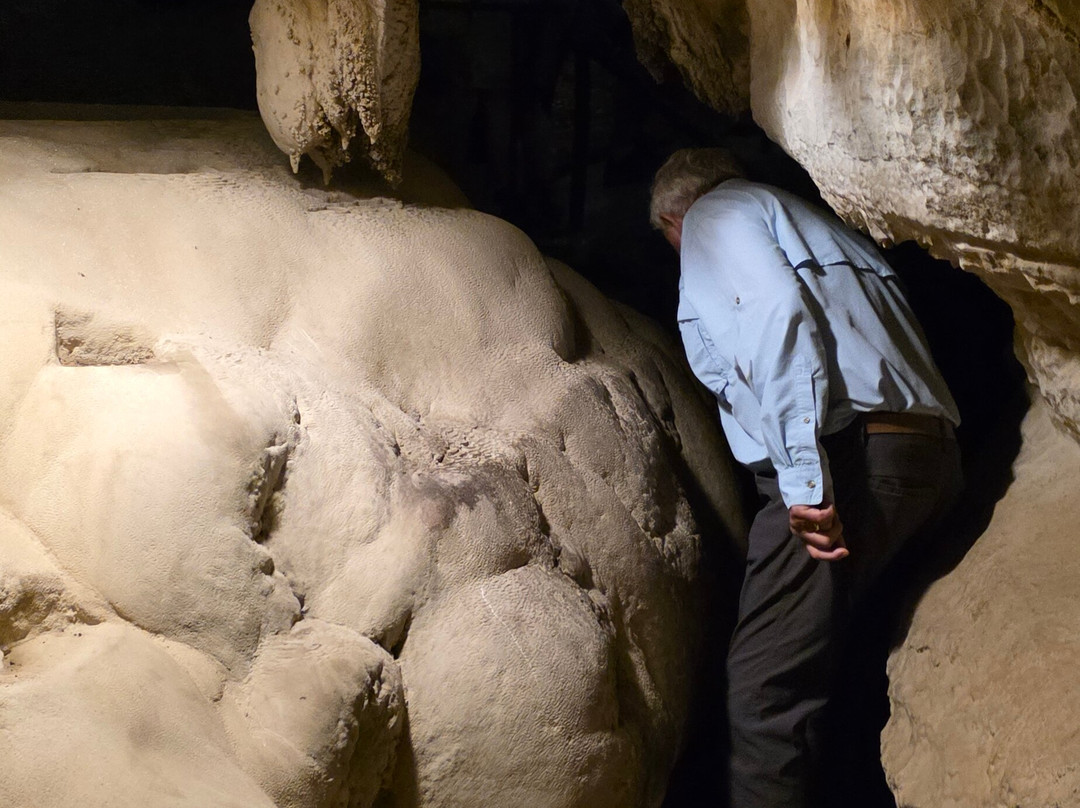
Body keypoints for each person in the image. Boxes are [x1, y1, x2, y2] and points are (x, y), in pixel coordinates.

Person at [650, 148, 962, 807]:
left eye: (669, 243)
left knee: (765, 687)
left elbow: (773, 320)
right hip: (926, 457)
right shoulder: (817, 226)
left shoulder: (715, 217)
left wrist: (804, 486)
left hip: (849, 462)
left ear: (673, 216)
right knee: (839, 667)